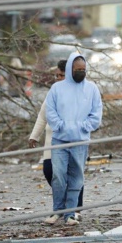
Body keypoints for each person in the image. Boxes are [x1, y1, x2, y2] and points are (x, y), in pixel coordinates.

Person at [44, 53, 102, 226]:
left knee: (76, 177)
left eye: (83, 70)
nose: (81, 72)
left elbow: (96, 113)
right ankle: (58, 211)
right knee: (58, 176)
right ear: (70, 69)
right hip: (60, 140)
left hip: (80, 141)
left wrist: (83, 127)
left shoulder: (91, 88)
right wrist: (61, 126)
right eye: (77, 70)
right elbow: (50, 111)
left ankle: (70, 214)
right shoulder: (57, 88)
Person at [28, 60, 85, 217]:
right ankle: (64, 207)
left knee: (74, 174)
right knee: (50, 171)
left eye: (61, 75)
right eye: (57, 75)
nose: (58, 78)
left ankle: (75, 209)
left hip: (72, 140)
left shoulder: (79, 92)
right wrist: (34, 136)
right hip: (51, 141)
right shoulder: (53, 92)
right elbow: (42, 115)